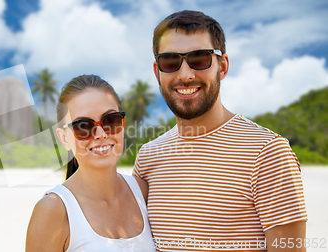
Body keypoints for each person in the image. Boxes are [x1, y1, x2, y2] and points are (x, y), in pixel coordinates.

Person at [133, 10, 308, 251]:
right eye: (171, 61)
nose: (185, 74)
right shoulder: (148, 158)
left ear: (222, 66)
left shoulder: (267, 153)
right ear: (157, 72)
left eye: (200, 59)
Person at [26, 75, 156, 252]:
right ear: (64, 138)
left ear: (123, 123)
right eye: (83, 126)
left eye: (111, 120)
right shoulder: (53, 210)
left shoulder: (144, 192)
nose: (101, 133)